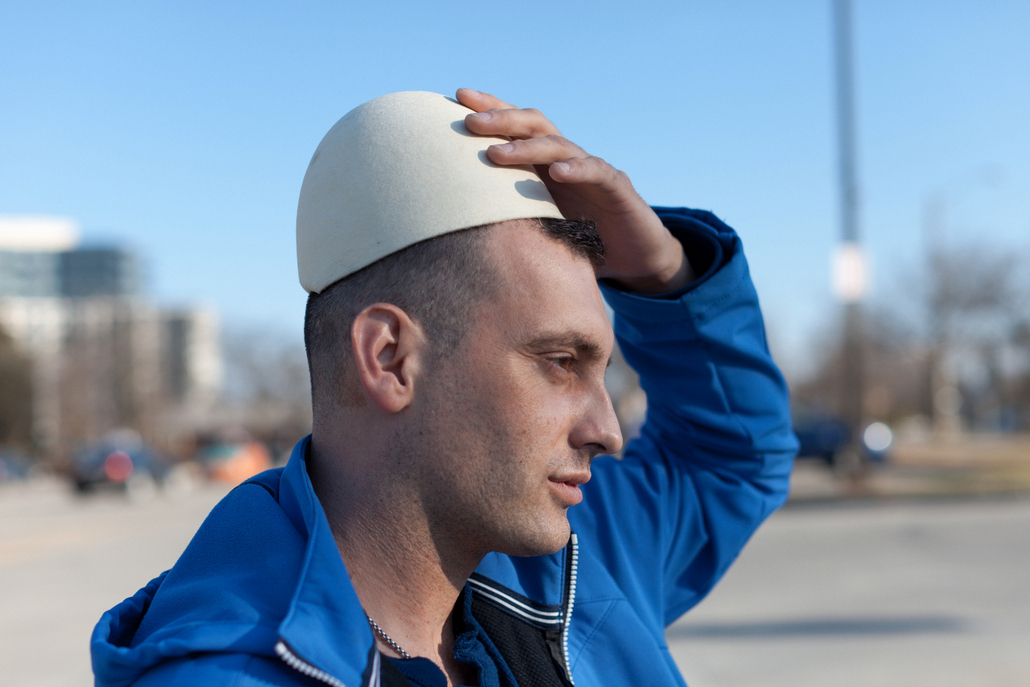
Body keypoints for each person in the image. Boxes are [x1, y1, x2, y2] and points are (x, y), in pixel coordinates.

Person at [92, 88, 797, 687]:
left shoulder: (567, 560)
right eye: (561, 361)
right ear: (391, 358)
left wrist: (661, 269)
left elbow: (732, 455)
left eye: (602, 373)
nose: (607, 430)